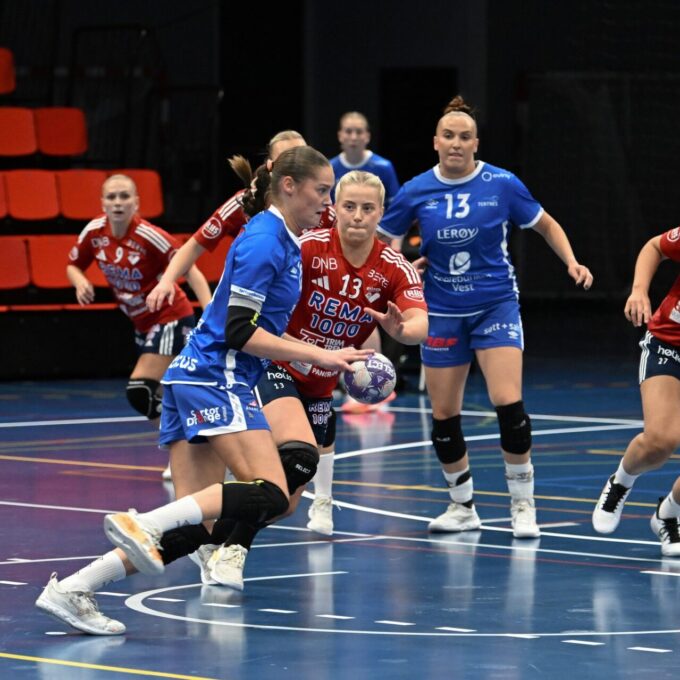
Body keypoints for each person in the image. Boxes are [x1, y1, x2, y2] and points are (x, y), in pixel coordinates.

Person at [35, 146, 372, 635]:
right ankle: (145, 523)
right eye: (322, 190)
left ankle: (72, 588)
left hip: (193, 376)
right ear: (289, 186)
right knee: (272, 492)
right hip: (218, 376)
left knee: (199, 527)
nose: (328, 201)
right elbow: (239, 330)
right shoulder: (265, 240)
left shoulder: (284, 238)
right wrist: (320, 355)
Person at [377, 94, 593, 539]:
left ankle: (523, 504)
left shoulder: (502, 183)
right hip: (441, 310)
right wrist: (405, 270)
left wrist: (571, 262)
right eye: (449, 136)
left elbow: (546, 224)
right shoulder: (416, 190)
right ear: (436, 141)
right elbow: (382, 246)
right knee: (444, 416)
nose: (456, 143)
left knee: (507, 403)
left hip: (495, 304)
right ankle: (462, 507)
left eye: (465, 137)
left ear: (476, 143)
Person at [66, 174, 211, 422]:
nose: (118, 202)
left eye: (124, 196)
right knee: (164, 396)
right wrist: (80, 282)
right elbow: (73, 266)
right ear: (103, 203)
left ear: (136, 202)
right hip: (141, 324)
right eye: (111, 197)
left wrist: (210, 314)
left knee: (141, 392)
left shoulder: (149, 235)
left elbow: (191, 270)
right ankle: (191, 438)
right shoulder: (94, 232)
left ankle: (198, 433)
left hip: (170, 317)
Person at [592, 227, 680, 556]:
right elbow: (654, 247)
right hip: (669, 345)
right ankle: (620, 483)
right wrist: (639, 290)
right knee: (660, 442)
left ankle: (668, 514)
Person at [329, 111, 400, 207]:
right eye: (348, 131)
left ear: (367, 136)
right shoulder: (330, 168)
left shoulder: (384, 166)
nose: (354, 137)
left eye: (359, 132)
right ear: (340, 136)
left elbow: (395, 205)